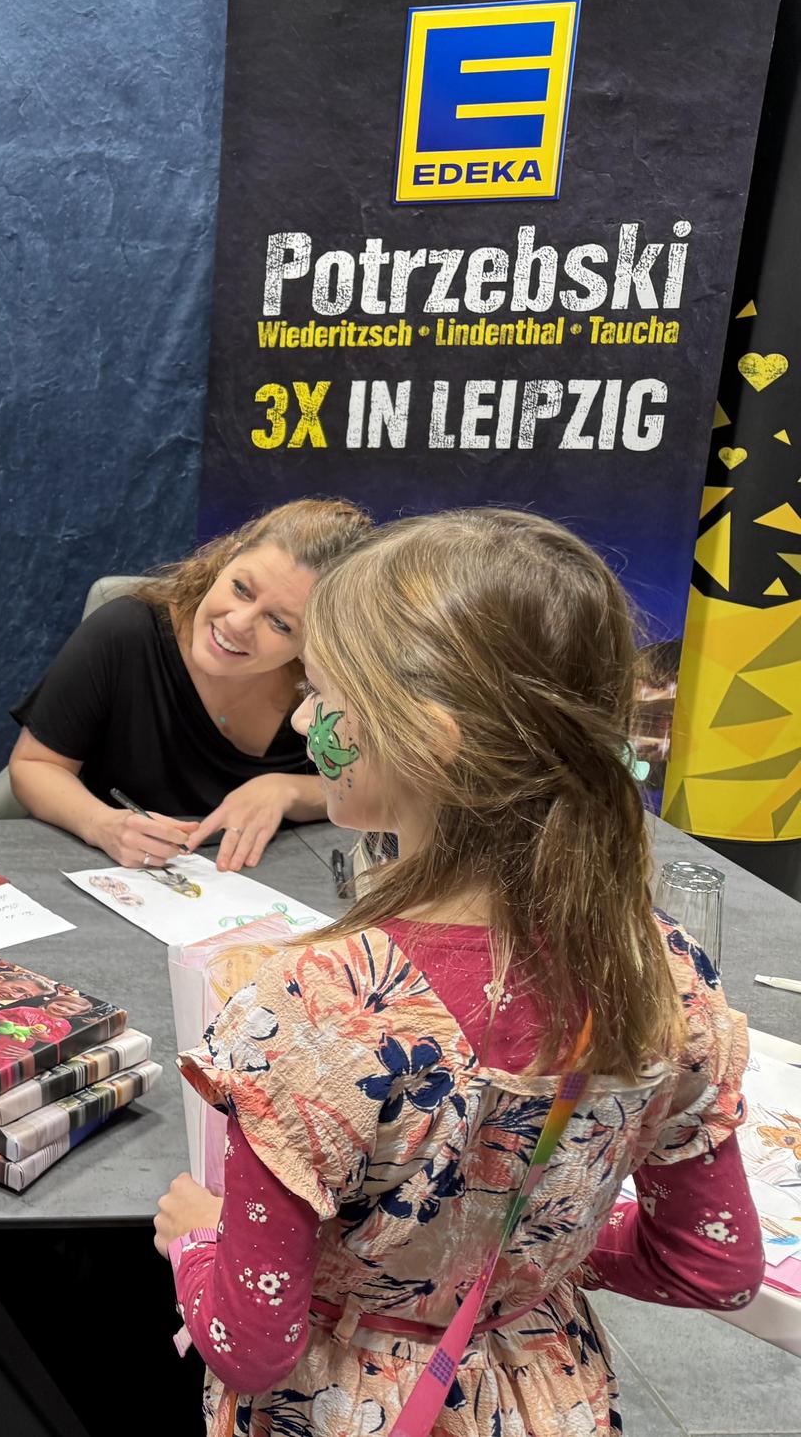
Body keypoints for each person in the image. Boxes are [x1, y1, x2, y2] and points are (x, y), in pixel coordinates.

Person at [154, 509, 760, 1436]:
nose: (307, 718)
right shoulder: (669, 975)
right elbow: (710, 1265)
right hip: (548, 1396)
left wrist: (195, 1236)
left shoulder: (313, 1012)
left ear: (429, 736)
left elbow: (251, 1342)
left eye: (325, 695)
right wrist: (529, 1246)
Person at [9, 498, 371, 872]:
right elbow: (33, 766)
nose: (238, 622)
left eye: (280, 623)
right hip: (121, 879)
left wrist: (288, 791)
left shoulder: (329, 687)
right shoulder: (125, 633)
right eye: (242, 589)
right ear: (228, 557)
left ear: (315, 641)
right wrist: (101, 825)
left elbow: (374, 785)